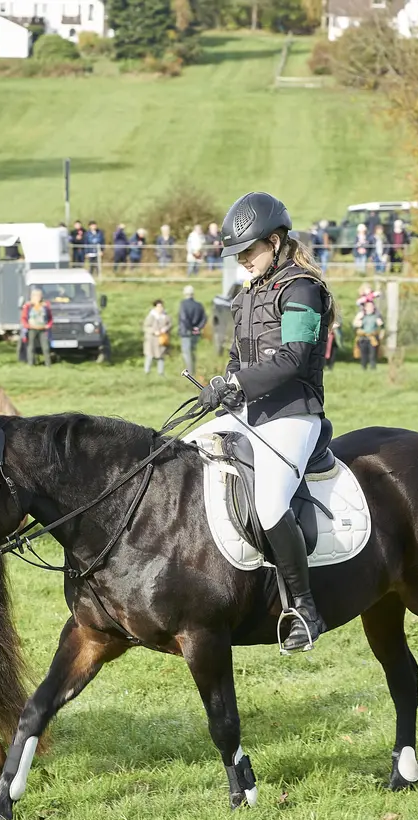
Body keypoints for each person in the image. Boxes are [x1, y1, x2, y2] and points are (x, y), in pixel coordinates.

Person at [189, 191, 335, 654]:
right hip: (250, 414)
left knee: (270, 502)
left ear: (274, 242)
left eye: (248, 252)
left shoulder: (302, 290)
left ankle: (306, 609)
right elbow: (238, 358)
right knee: (185, 458)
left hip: (294, 413)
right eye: (237, 255)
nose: (242, 262)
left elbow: (293, 360)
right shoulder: (247, 296)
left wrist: (238, 386)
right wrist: (221, 383)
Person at [177, 284, 206, 375]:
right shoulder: (198, 305)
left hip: (186, 332)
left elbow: (184, 318)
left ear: (185, 293)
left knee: (186, 353)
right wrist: (197, 328)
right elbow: (204, 318)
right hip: (196, 333)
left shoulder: (183, 304)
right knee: (193, 352)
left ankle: (190, 372)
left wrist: (190, 328)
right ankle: (193, 369)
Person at [22, 287, 53, 366]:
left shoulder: (45, 305)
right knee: (31, 347)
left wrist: (48, 325)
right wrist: (27, 326)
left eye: (39, 295)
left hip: (43, 329)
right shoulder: (28, 306)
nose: (37, 297)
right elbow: (24, 317)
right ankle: (30, 363)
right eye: (35, 295)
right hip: (32, 329)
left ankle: (48, 364)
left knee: (45, 347)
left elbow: (50, 317)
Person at [353, 294, 383, 370]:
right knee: (363, 354)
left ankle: (373, 368)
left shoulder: (376, 317)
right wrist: (357, 322)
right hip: (363, 338)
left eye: (371, 307)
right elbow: (354, 326)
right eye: (368, 307)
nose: (370, 308)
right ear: (365, 308)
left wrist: (381, 333)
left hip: (372, 338)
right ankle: (363, 368)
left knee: (372, 355)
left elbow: (382, 327)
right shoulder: (362, 316)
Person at [142, 298, 171, 376]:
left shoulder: (165, 316)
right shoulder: (151, 316)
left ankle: (161, 372)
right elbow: (146, 327)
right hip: (152, 340)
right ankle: (147, 371)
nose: (160, 308)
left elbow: (169, 324)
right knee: (150, 356)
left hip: (162, 339)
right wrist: (154, 332)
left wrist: (165, 329)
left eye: (161, 306)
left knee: (161, 356)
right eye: (158, 307)